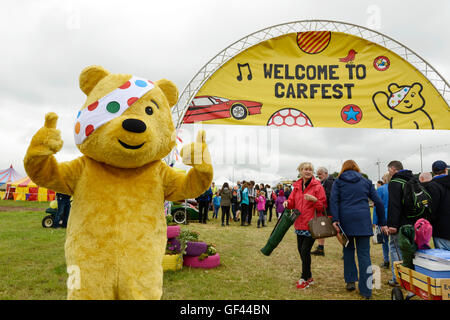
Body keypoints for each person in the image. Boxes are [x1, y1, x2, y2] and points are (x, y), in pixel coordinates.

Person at [330, 160, 388, 299]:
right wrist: (382, 222)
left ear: (343, 169)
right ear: (357, 168)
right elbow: (378, 202)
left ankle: (350, 281)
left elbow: (333, 201)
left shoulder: (338, 182)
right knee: (364, 255)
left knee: (348, 251)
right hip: (362, 220)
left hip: (345, 221)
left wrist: (335, 219)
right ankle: (366, 290)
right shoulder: (366, 182)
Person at [283, 162, 327, 290]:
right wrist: (287, 202)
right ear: (300, 171)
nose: (308, 171)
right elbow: (292, 201)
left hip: (311, 224)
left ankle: (304, 277)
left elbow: (323, 205)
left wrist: (315, 200)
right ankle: (309, 277)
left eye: (310, 170)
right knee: (301, 251)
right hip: (299, 223)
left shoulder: (317, 186)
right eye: (305, 169)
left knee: (305, 251)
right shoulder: (296, 186)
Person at [386, 160, 414, 287]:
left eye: (389, 170)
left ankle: (398, 278)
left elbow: (394, 205)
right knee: (411, 250)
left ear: (393, 169)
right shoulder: (413, 179)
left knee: (395, 248)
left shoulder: (395, 182)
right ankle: (412, 276)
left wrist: (392, 225)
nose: (389, 173)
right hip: (414, 222)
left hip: (400, 223)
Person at [425, 160, 450, 250]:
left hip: (441, 229)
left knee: (444, 261)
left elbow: (432, 209)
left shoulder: (432, 186)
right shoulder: (433, 185)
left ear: (433, 171)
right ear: (445, 170)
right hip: (442, 228)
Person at [311, 167, 335, 256]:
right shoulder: (324, 182)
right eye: (318, 174)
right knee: (321, 228)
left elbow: (328, 196)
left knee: (336, 230)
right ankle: (320, 248)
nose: (319, 176)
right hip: (324, 209)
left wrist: (317, 199)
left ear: (326, 173)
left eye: (320, 174)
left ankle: (346, 248)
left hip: (329, 209)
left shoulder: (329, 182)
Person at [373, 173, 391, 269]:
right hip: (395, 216)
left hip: (383, 216)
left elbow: (377, 206)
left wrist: (375, 221)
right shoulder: (396, 187)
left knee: (384, 241)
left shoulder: (381, 189)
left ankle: (386, 260)